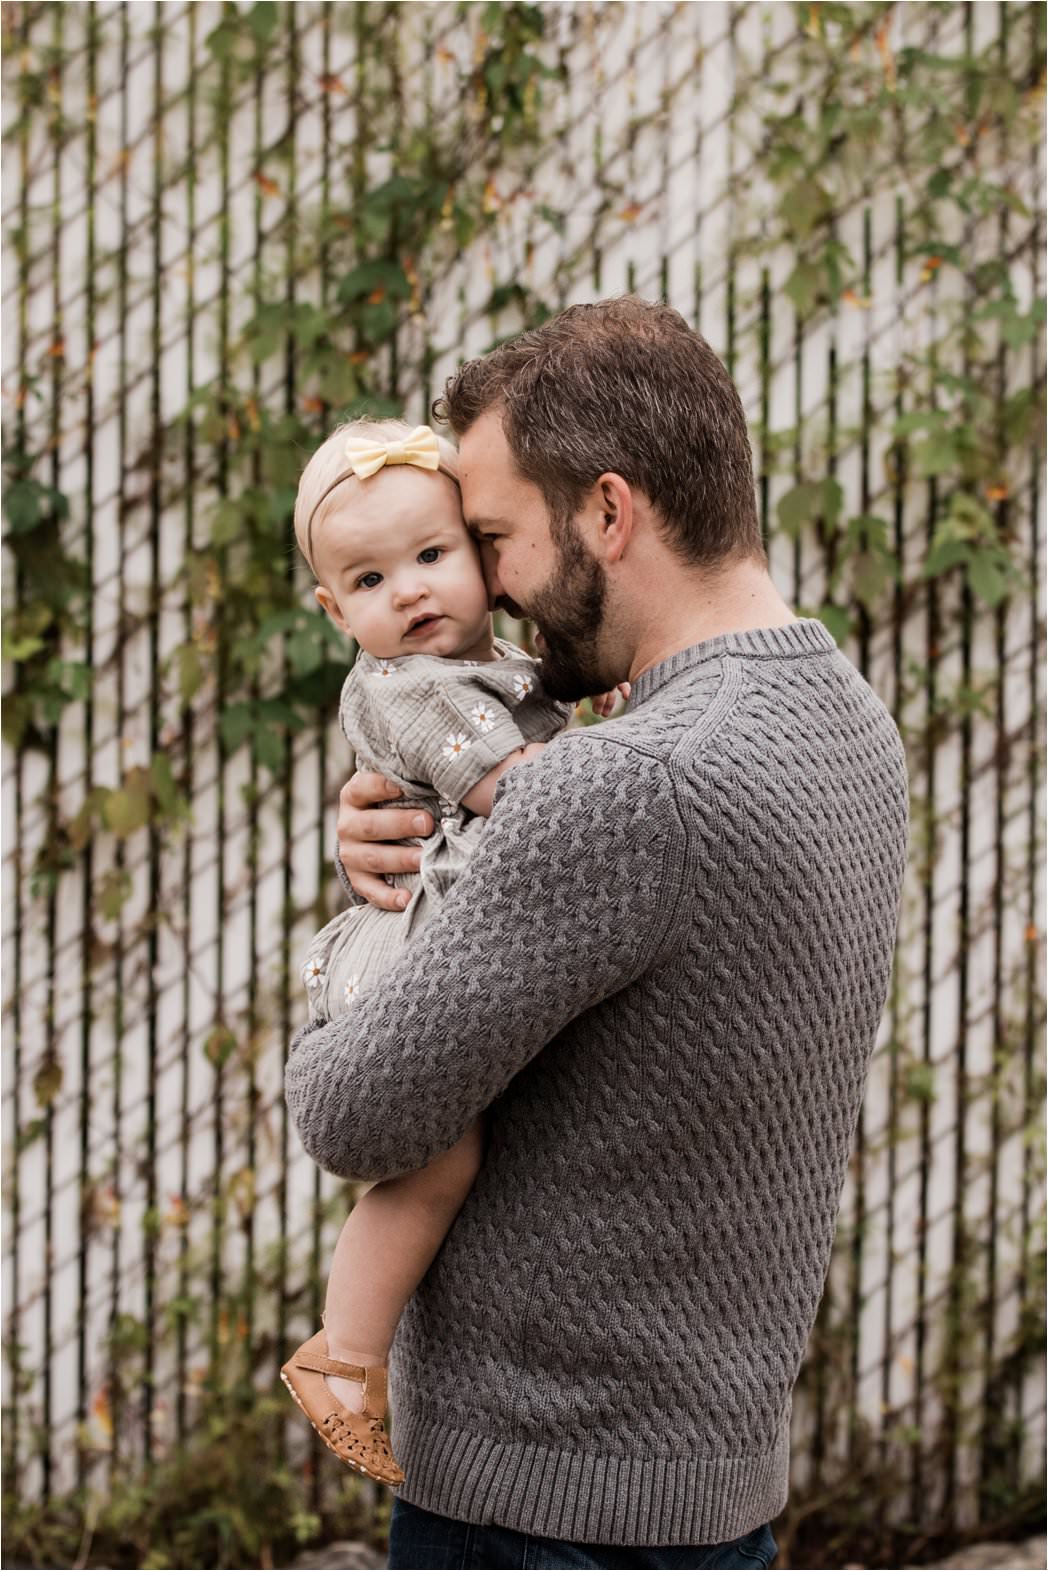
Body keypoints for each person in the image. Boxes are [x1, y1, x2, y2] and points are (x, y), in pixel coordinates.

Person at [284, 297, 910, 1571]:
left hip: (538, 1513)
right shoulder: (848, 723)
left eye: (493, 538)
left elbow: (350, 1115)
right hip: (711, 1498)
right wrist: (427, 856)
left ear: (610, 514)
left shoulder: (620, 789)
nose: (489, 587)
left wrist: (357, 938)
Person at [279, 416, 622, 1485]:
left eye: (432, 555)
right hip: (403, 952)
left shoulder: (488, 664)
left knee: (453, 1154)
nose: (413, 591)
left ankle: (348, 1354)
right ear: (337, 613)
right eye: (373, 579)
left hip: (427, 926)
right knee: (440, 1159)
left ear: (479, 553)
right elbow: (517, 796)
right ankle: (347, 1354)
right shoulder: (409, 687)